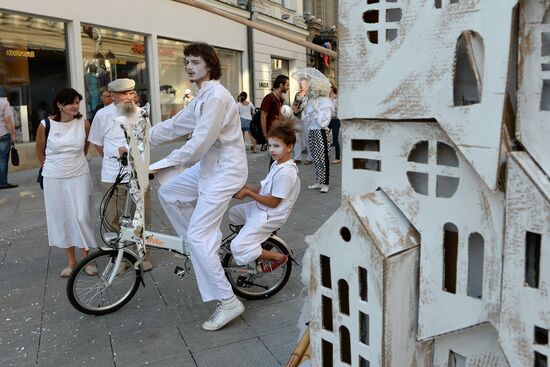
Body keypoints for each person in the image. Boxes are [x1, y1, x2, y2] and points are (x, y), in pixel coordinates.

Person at [150, 42, 247, 331]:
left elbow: (199, 143)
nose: (189, 66)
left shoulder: (216, 96)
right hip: (209, 168)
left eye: (195, 61)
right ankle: (201, 247)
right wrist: (138, 137)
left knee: (197, 234)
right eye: (186, 62)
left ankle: (229, 302)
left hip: (226, 172)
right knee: (168, 192)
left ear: (209, 65)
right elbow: (176, 125)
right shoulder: (203, 96)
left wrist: (158, 164)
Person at [88, 78, 153, 271]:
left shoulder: (142, 113)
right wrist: (114, 155)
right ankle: (119, 259)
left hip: (138, 175)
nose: (129, 97)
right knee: (113, 218)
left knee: (142, 217)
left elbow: (148, 140)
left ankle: (142, 255)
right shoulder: (102, 115)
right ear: (113, 96)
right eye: (124, 93)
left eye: (131, 92)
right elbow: (97, 143)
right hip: (112, 176)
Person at [35, 88, 97, 277]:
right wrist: (51, 169)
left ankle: (86, 259)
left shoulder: (84, 124)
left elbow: (84, 148)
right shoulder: (46, 124)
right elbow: (39, 151)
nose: (75, 106)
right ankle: (71, 262)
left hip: (79, 174)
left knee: (81, 216)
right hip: (54, 177)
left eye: (77, 102)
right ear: (60, 105)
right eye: (71, 102)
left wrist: (72, 164)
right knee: (62, 217)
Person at [229, 121, 299, 272]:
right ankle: (256, 242)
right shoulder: (277, 164)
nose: (272, 150)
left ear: (289, 147)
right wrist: (244, 185)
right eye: (270, 145)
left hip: (271, 214)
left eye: (276, 146)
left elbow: (273, 202)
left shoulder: (287, 173)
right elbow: (263, 187)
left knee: (236, 246)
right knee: (234, 213)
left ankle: (278, 258)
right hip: (262, 209)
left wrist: (248, 193)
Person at [303, 76, 333, 193]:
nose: (313, 91)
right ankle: (319, 181)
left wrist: (316, 110)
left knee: (324, 157)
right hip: (312, 131)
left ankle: (325, 183)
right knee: (316, 157)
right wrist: (306, 105)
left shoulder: (326, 102)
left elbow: (324, 122)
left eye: (314, 89)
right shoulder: (311, 101)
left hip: (321, 132)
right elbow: (306, 118)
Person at [260, 75, 289, 166]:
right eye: (287, 85)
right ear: (281, 85)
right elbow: (263, 117)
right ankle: (271, 179)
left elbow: (277, 116)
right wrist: (265, 135)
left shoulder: (279, 99)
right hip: (271, 134)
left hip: (278, 133)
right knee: (274, 161)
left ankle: (275, 178)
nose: (288, 87)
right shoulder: (269, 98)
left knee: (278, 160)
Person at [292, 78, 310, 164]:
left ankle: (310, 158)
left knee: (307, 138)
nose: (301, 85)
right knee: (296, 138)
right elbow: (294, 103)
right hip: (297, 118)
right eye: (300, 83)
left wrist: (298, 110)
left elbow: (307, 107)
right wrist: (294, 108)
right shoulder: (298, 94)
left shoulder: (310, 95)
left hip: (306, 118)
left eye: (303, 83)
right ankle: (297, 157)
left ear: (307, 84)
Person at [0, 98, 17, 189]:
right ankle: (2, 182)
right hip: (3, 134)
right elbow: (8, 121)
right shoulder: (4, 103)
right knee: (2, 159)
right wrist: (13, 134)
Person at [328, 83, 341, 164]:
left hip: (336, 120)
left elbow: (338, 109)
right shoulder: (326, 97)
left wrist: (333, 101)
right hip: (328, 120)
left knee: (335, 140)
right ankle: (324, 156)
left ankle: (337, 157)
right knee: (324, 137)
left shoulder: (337, 96)